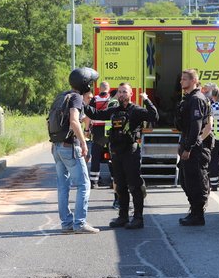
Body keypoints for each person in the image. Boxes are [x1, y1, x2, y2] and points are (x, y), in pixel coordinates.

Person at [84, 83, 158, 229]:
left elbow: (154, 116)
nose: (122, 94)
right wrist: (82, 101)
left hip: (131, 152)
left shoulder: (135, 110)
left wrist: (146, 100)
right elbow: (95, 114)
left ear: (131, 94)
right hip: (116, 153)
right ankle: (123, 217)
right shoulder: (113, 111)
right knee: (120, 186)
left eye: (125, 91)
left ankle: (138, 218)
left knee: (135, 185)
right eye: (119, 92)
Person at [51, 67, 100, 234]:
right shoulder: (77, 98)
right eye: (91, 83)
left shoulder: (61, 96)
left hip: (57, 146)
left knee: (63, 186)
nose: (92, 86)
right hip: (69, 147)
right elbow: (73, 121)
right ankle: (79, 223)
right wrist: (83, 142)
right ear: (85, 84)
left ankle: (66, 224)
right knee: (84, 185)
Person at [176, 68, 212, 226]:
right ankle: (194, 210)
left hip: (195, 148)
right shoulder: (189, 98)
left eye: (184, 79)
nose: (181, 81)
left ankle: (198, 214)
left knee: (194, 181)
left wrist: (189, 148)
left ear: (193, 81)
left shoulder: (196, 99)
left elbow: (196, 126)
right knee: (185, 180)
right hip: (188, 142)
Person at [88, 82, 113, 188]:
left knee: (96, 156)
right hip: (110, 130)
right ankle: (114, 181)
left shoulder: (95, 99)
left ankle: (94, 182)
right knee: (112, 156)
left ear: (99, 89)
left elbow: (89, 114)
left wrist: (87, 129)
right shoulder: (112, 99)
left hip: (97, 131)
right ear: (109, 88)